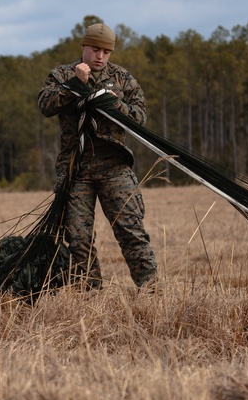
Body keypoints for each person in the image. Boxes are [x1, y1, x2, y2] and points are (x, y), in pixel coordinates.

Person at [38, 22, 158, 289]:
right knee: (78, 239)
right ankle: (90, 297)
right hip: (76, 169)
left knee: (131, 232)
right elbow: (45, 105)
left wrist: (114, 103)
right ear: (84, 47)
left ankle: (151, 292)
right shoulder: (62, 75)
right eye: (95, 49)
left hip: (114, 168)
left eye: (106, 51)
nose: (100, 56)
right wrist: (73, 85)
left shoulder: (123, 79)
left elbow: (140, 119)